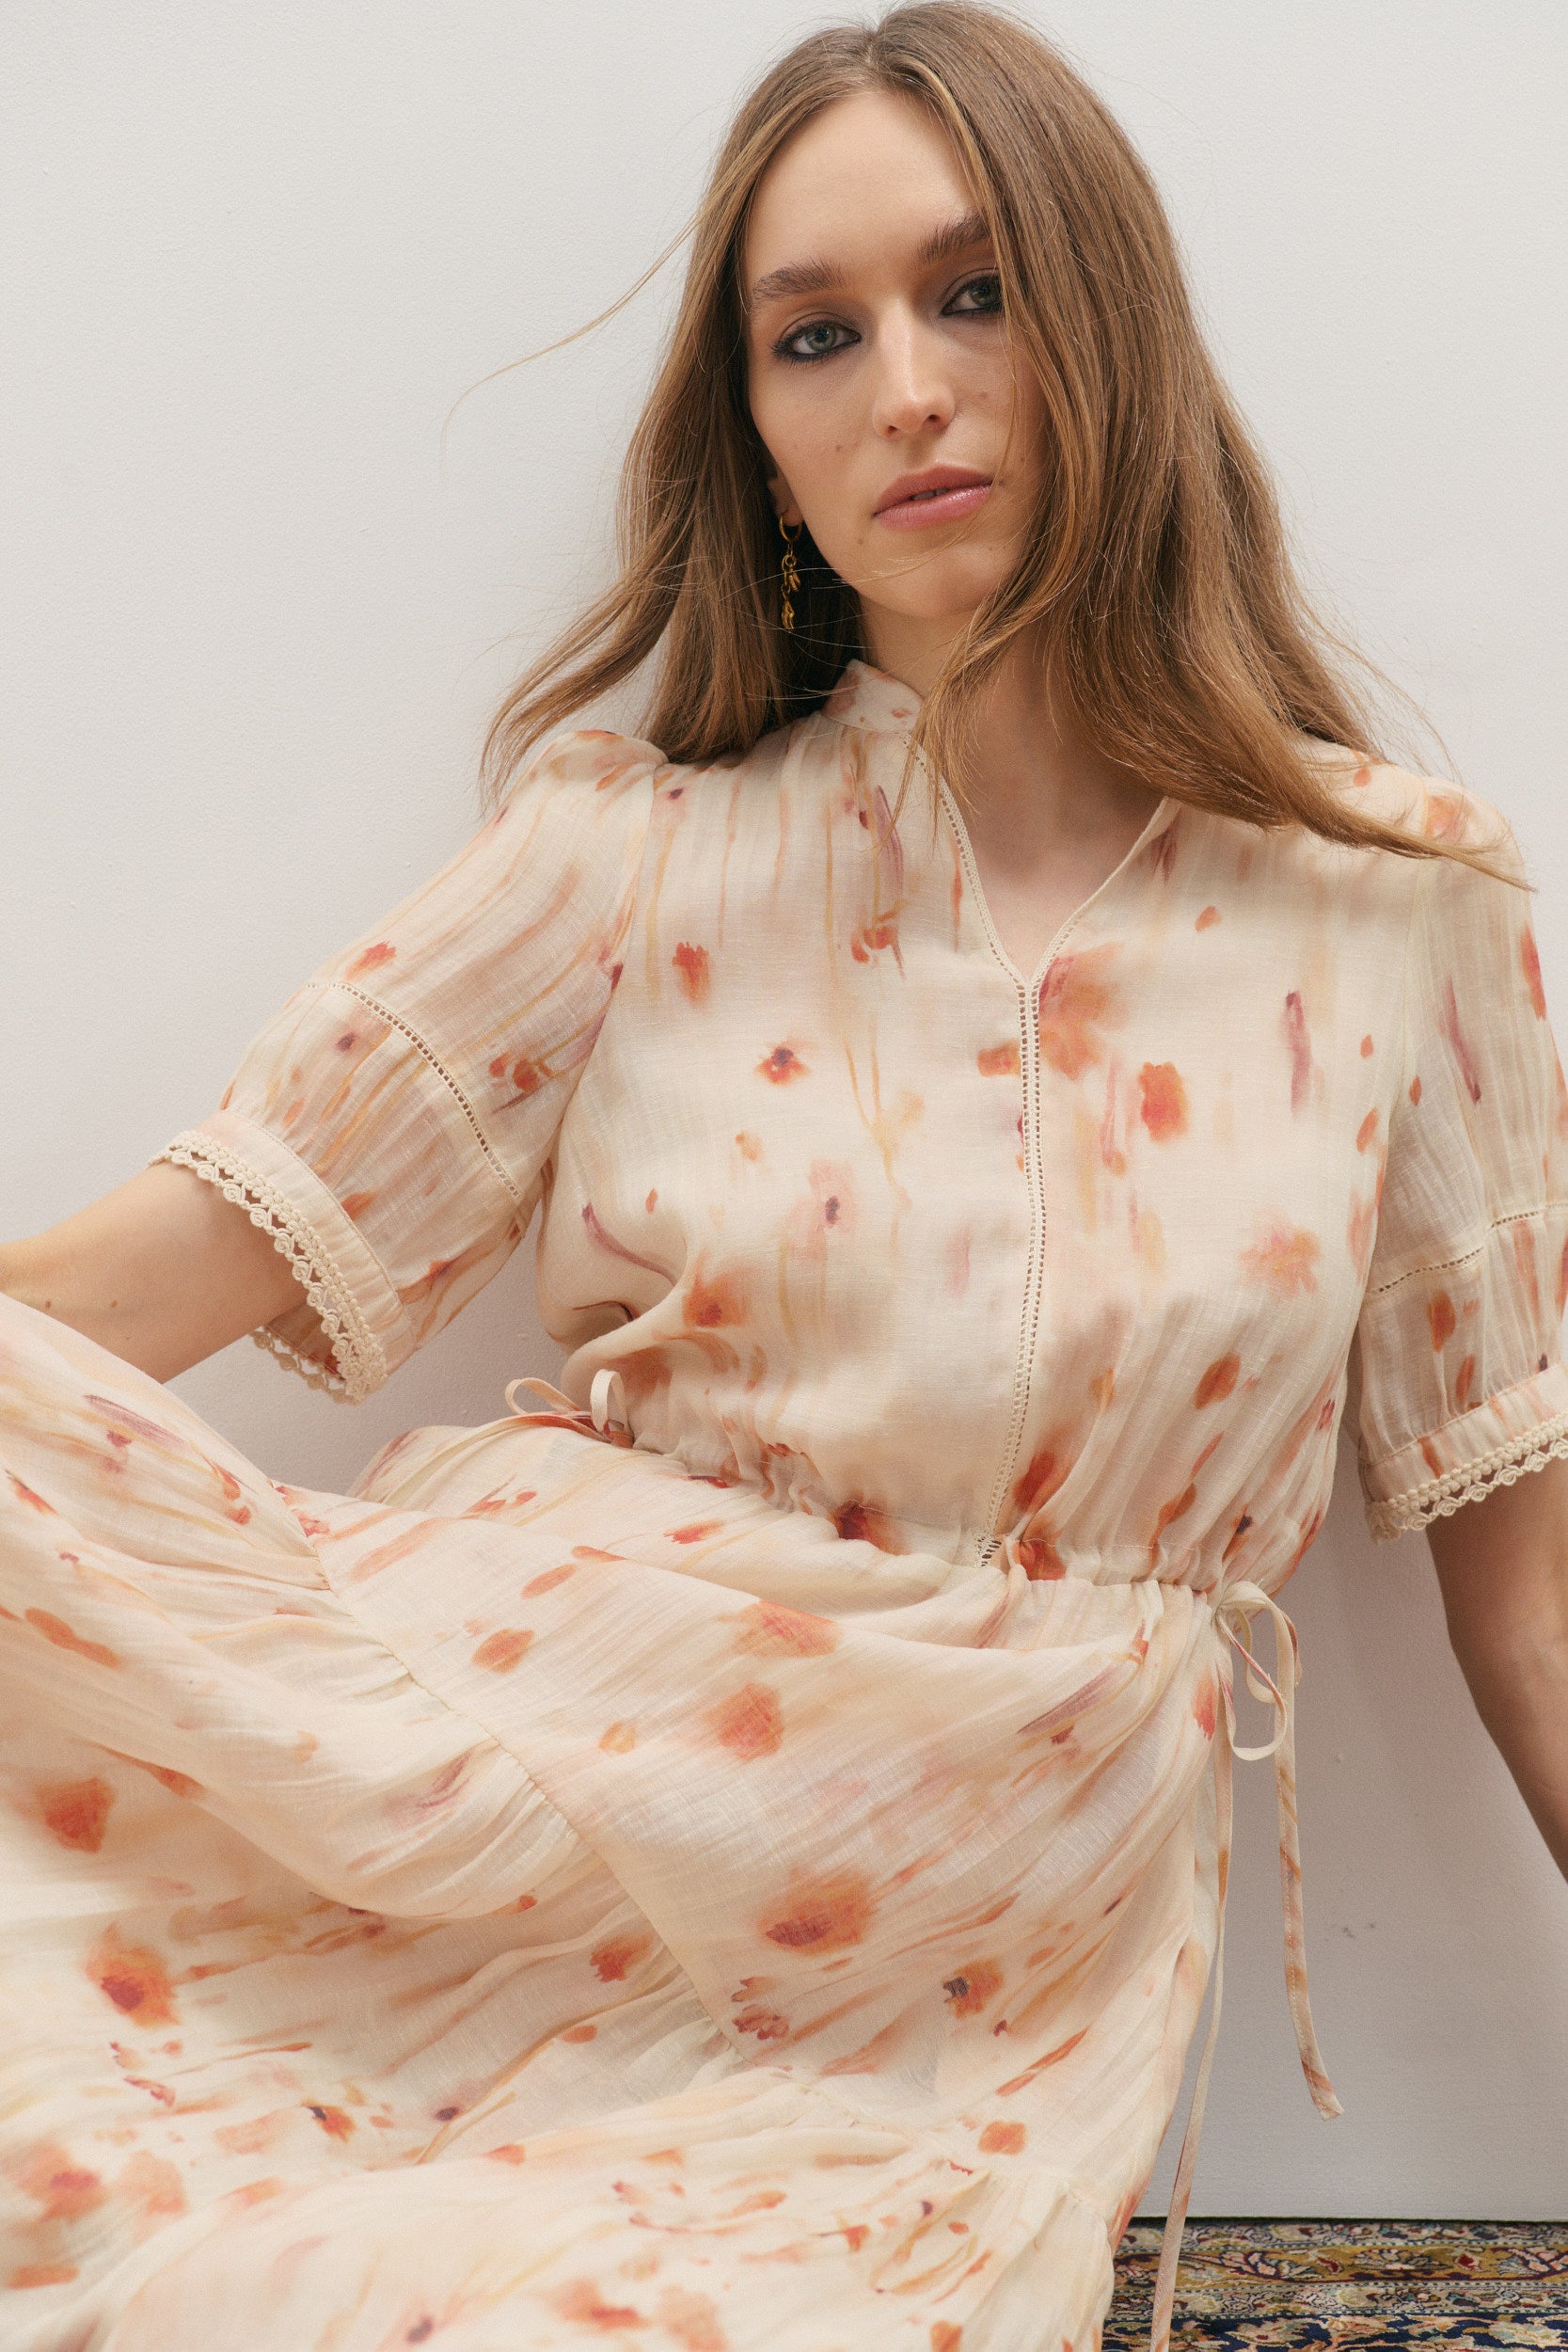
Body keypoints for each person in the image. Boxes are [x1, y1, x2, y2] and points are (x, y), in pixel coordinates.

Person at [3, 5, 1565, 2347]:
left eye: (975, 291)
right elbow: (155, 1272)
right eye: (812, 337)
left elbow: (1531, 1608)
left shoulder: (1395, 905)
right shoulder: (636, 853)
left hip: (954, 1981)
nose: (905, 391)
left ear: (1106, 318)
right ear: (760, 443)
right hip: (507, 1773)